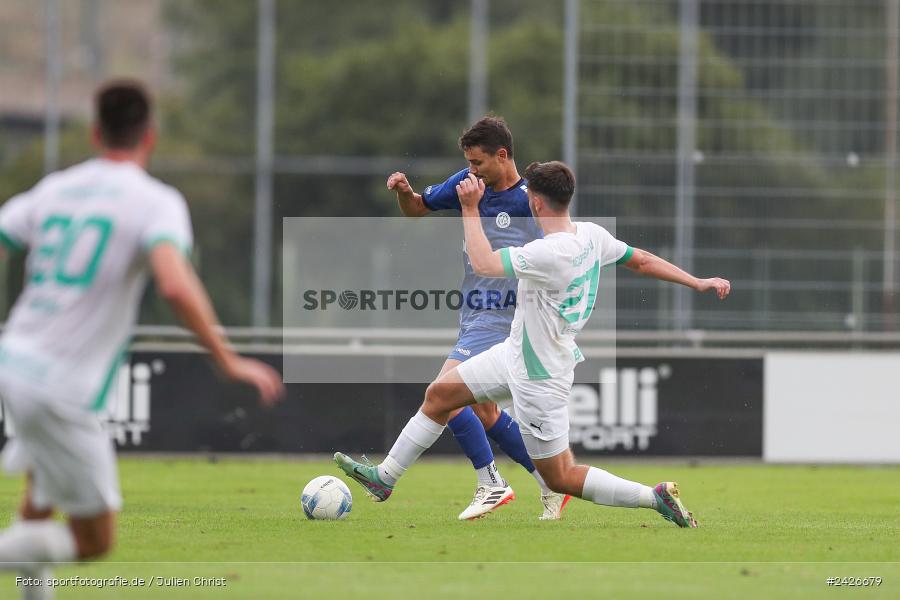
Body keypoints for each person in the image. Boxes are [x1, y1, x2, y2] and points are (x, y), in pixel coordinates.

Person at [0, 80, 284, 599]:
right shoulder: (155, 201)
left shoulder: (56, 187)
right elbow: (175, 283)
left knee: (40, 498)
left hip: (12, 360)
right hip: (61, 385)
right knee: (95, 541)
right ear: (149, 137)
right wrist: (228, 359)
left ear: (95, 133)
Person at [337, 160, 731, 528]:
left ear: (536, 201)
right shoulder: (591, 236)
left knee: (560, 477)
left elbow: (484, 264)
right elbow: (640, 259)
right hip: (514, 353)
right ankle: (385, 478)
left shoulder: (548, 253)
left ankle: (654, 497)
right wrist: (697, 282)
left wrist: (471, 208)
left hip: (540, 374)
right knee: (440, 395)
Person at [386, 115, 568, 520]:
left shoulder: (531, 202)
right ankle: (550, 482)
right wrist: (404, 192)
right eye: (468, 163)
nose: (472, 172)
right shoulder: (468, 185)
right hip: (473, 313)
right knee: (483, 411)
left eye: (479, 163)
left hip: (506, 318)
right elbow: (415, 209)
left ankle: (491, 482)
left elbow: (560, 256)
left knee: (444, 394)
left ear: (502, 156)